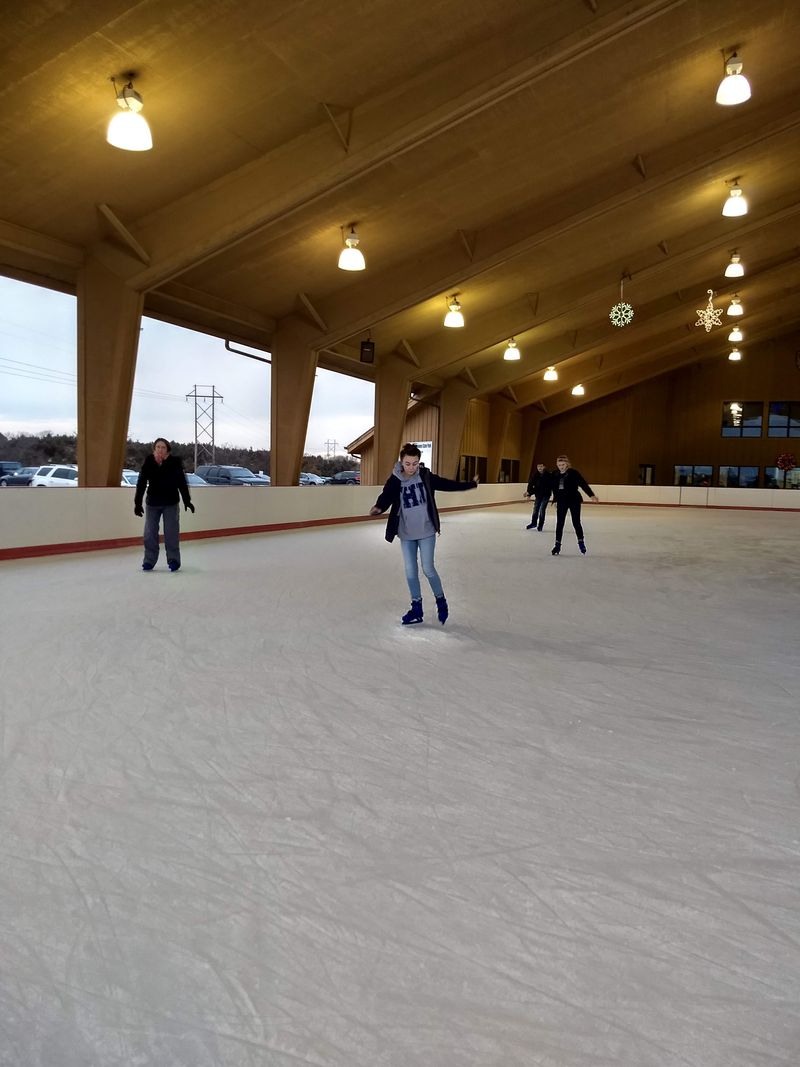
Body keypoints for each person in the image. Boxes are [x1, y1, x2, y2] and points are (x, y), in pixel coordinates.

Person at [369, 443, 479, 625]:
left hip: (426, 530)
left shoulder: (426, 476)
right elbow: (386, 496)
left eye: (414, 463)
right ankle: (416, 608)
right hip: (406, 532)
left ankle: (441, 601)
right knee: (411, 572)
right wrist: (379, 507)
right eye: (407, 463)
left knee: (428, 568)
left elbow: (447, 484)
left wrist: (471, 484)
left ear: (419, 462)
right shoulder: (395, 479)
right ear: (401, 462)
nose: (411, 467)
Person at [134, 438, 194, 572]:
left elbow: (181, 482)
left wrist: (187, 500)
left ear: (168, 450)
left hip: (170, 503)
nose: (160, 450)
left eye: (163, 447)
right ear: (154, 449)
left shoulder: (174, 462)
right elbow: (141, 483)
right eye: (158, 447)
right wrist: (137, 503)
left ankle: (173, 560)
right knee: (149, 533)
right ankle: (149, 560)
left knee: (171, 532)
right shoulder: (149, 461)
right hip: (152, 503)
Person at [550, 454, 598, 556]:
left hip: (574, 500)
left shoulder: (573, 473)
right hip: (562, 501)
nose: (561, 467)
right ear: (557, 464)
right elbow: (554, 489)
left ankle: (581, 542)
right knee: (560, 523)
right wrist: (555, 500)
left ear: (567, 464)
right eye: (559, 465)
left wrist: (591, 495)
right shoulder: (555, 474)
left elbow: (583, 484)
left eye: (563, 465)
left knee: (576, 522)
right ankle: (557, 545)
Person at [523, 461, 552, 531]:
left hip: (546, 495)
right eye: (538, 466)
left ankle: (540, 525)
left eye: (541, 466)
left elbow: (552, 486)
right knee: (536, 509)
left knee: (542, 509)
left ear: (544, 467)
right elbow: (530, 484)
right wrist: (529, 493)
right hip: (538, 495)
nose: (539, 468)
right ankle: (533, 523)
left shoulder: (548, 475)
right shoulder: (535, 475)